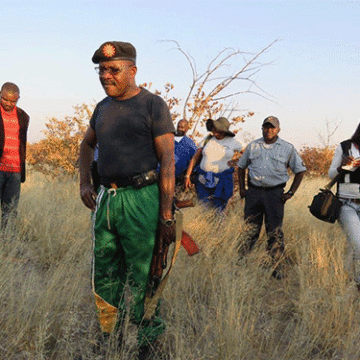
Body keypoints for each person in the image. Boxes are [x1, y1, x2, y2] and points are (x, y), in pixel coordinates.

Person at [79, 41, 175, 359]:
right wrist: (84, 183)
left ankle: (147, 339)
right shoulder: (102, 108)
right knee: (105, 269)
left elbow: (168, 161)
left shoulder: (153, 105)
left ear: (132, 71)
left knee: (144, 270)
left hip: (142, 198)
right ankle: (111, 334)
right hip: (108, 199)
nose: (106, 75)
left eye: (113, 69)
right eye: (101, 70)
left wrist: (166, 215)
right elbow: (86, 146)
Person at [237, 116, 306, 269]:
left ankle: (276, 266)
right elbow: (241, 167)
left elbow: (300, 171)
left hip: (274, 194)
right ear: (262, 128)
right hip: (253, 193)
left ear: (278, 129)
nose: (269, 130)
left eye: (272, 127)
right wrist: (243, 189)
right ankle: (241, 264)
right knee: (250, 229)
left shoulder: (287, 148)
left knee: (274, 231)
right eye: (266, 127)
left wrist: (291, 192)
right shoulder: (253, 146)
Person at [184, 117, 242, 211]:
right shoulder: (207, 139)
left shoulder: (233, 141)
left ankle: (218, 225)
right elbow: (195, 158)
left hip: (222, 181)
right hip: (204, 179)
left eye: (217, 128)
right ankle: (204, 225)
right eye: (214, 127)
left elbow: (247, 153)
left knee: (219, 208)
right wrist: (187, 175)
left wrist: (235, 162)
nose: (215, 130)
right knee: (203, 206)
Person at [328, 123, 360, 287]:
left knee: (353, 244)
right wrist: (342, 166)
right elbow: (331, 173)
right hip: (347, 203)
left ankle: (349, 279)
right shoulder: (345, 146)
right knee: (358, 243)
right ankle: (357, 282)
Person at [0, 82, 30, 229]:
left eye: (13, 101)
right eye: (5, 99)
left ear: (18, 98)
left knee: (10, 211)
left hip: (15, 171)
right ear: (1, 95)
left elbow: (22, 144)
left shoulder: (23, 116)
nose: (8, 103)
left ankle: (7, 245)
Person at [174, 119, 197, 185]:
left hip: (179, 178)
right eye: (178, 127)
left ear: (186, 129)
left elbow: (194, 160)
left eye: (182, 127)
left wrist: (187, 175)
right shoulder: (169, 140)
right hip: (164, 174)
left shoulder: (190, 144)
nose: (179, 129)